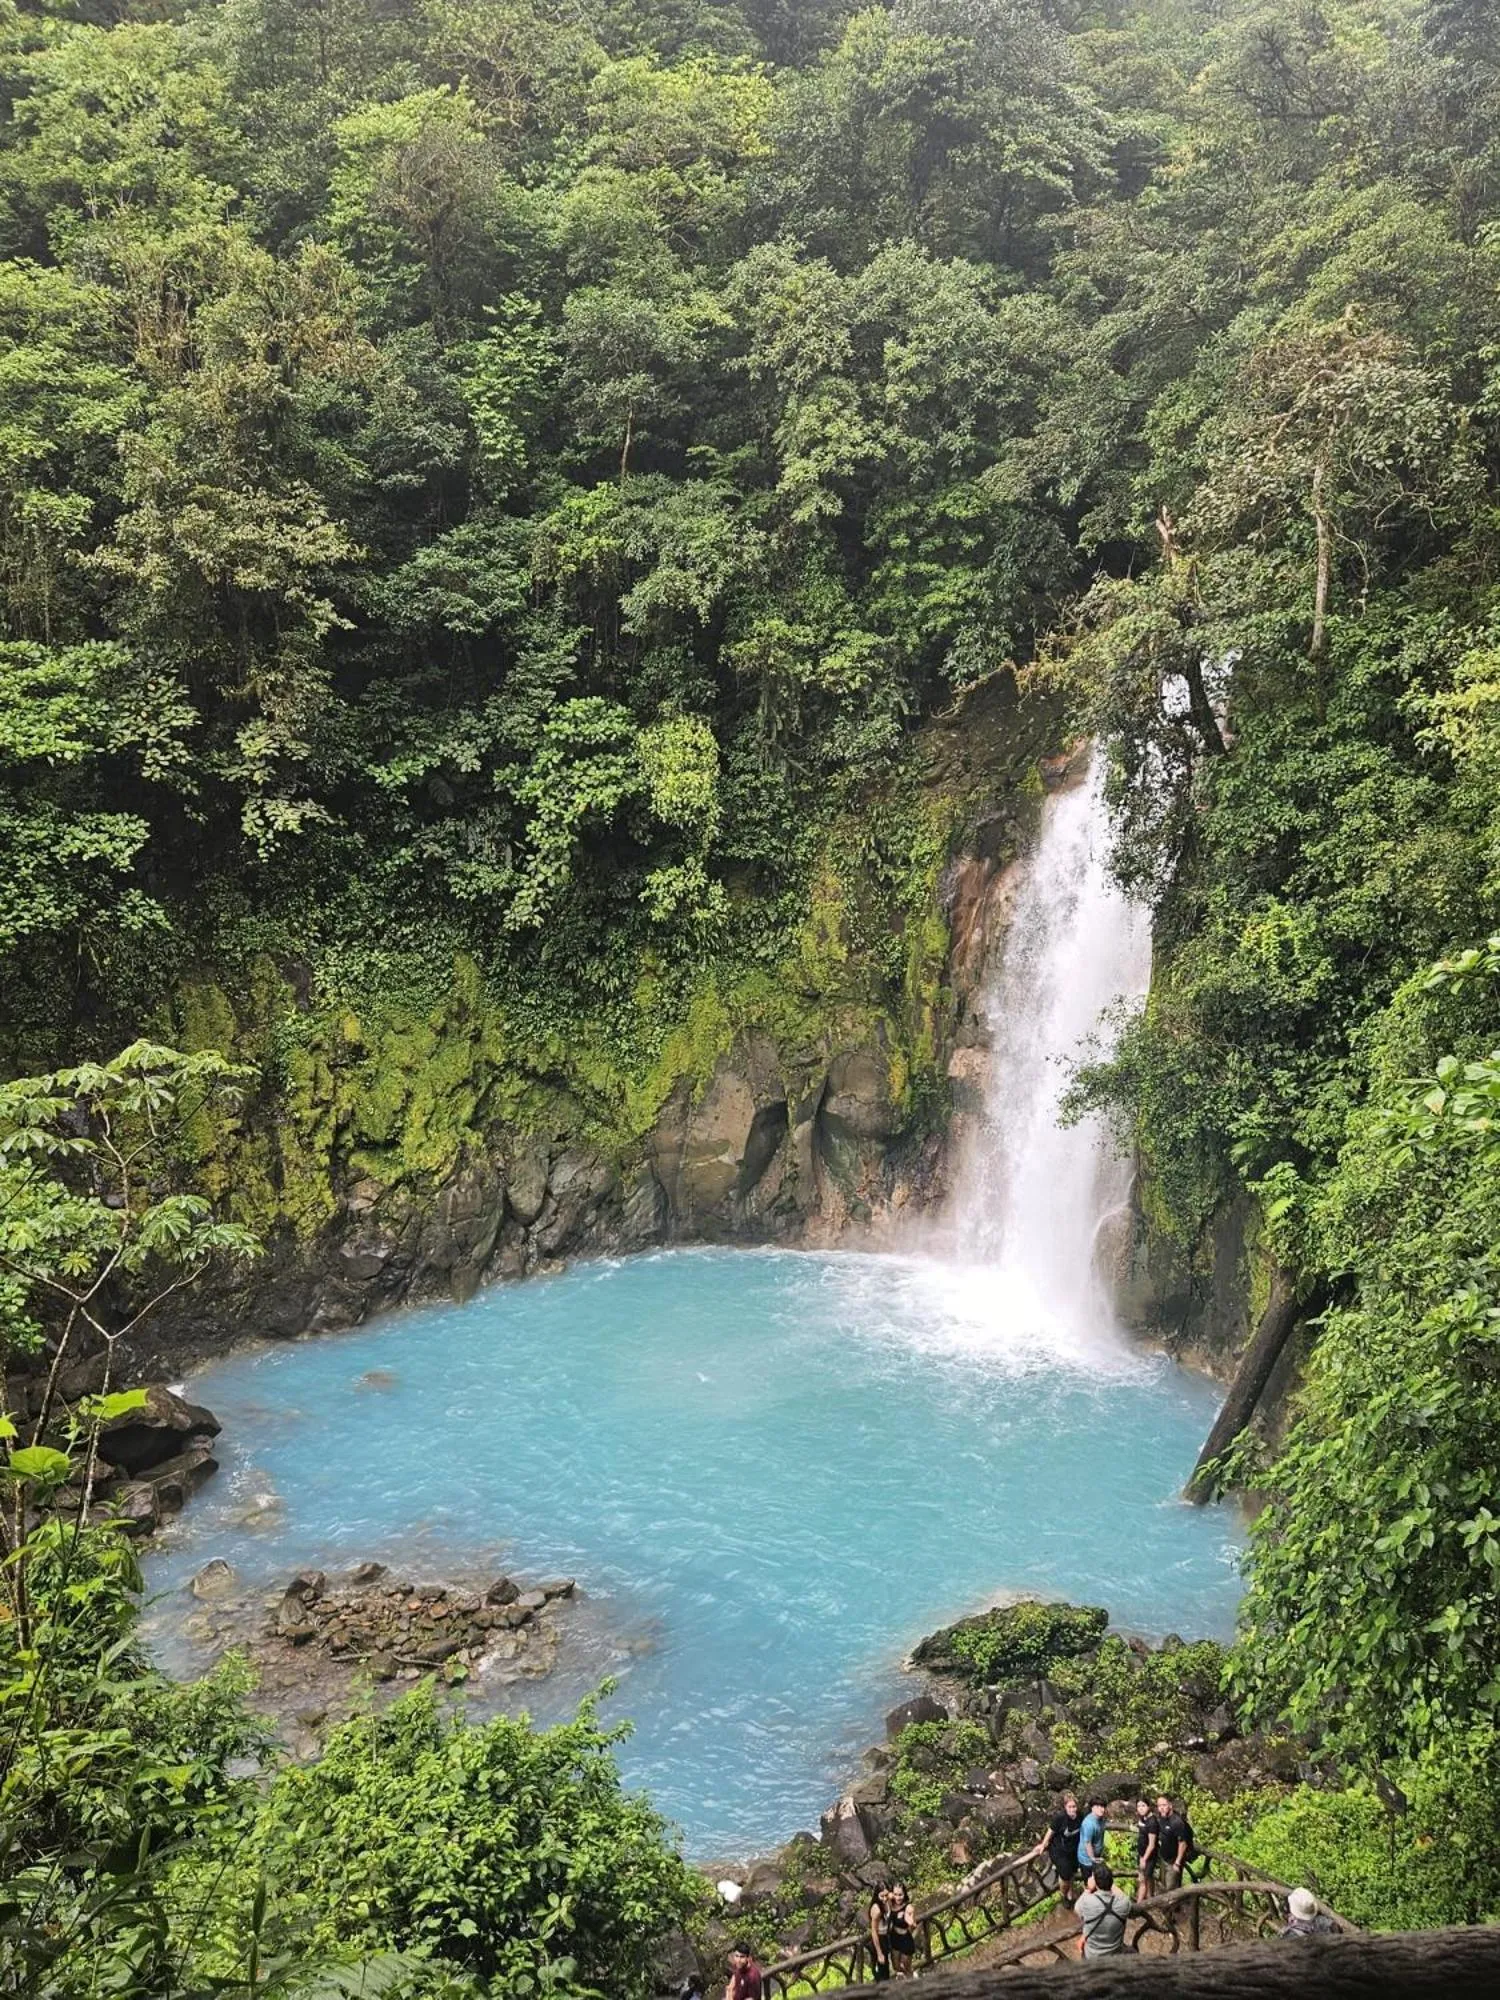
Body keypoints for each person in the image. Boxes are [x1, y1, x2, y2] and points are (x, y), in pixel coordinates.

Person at [1028, 1791, 1084, 1907]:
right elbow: (1050, 1831)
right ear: (1065, 1807)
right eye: (1070, 1807)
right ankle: (1063, 1895)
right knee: (1065, 1874)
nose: (1072, 1809)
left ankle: (1070, 1891)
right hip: (1059, 1850)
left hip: (1073, 1849)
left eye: (1074, 1807)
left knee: (1072, 1872)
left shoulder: (1080, 1815)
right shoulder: (1060, 1818)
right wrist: (1043, 1845)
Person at [1075, 1862, 1134, 1958]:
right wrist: (1111, 1885)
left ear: (1095, 1883)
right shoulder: (1123, 1903)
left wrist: (1088, 1888)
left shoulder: (1087, 1902)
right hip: (1115, 1954)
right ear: (1111, 1881)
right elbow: (1124, 1897)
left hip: (1092, 1956)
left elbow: (1077, 1909)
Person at [1155, 1793, 1197, 1890]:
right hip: (1164, 1858)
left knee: (1172, 1890)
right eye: (1159, 1806)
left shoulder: (1177, 1822)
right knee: (1163, 1886)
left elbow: (1183, 1843)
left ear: (1170, 1805)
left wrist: (1177, 1863)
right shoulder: (1162, 1817)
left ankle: (1174, 1905)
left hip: (1173, 1862)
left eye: (1164, 1805)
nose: (1161, 1808)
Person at [886, 1882, 917, 1978]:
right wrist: (890, 1896)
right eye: (895, 1894)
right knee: (896, 1966)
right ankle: (902, 1979)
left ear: (905, 1894)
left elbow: (912, 1922)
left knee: (906, 1966)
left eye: (900, 1895)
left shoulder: (908, 1907)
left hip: (905, 1939)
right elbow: (885, 1895)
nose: (898, 1898)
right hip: (894, 1937)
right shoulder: (891, 1904)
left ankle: (912, 1980)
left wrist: (909, 1921)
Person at [1134, 1796, 1160, 1902]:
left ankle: (1138, 1905)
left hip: (1148, 1856)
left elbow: (1152, 1844)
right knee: (1148, 1878)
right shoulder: (1143, 1819)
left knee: (1142, 1880)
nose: (1140, 1808)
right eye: (1138, 1806)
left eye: (1143, 1806)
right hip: (1142, 1854)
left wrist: (1144, 1859)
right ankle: (1150, 1898)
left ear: (1148, 1806)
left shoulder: (1152, 1822)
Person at [1077, 1797, 1108, 1882]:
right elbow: (1087, 1843)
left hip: (1096, 1856)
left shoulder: (1101, 1819)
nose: (1101, 1809)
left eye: (1102, 1806)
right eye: (1098, 1806)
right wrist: (1092, 1859)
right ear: (1092, 1808)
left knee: (1098, 1881)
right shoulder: (1089, 1823)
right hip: (1087, 1859)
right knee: (1090, 1884)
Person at [867, 1885, 891, 1981]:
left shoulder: (887, 1902)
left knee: (886, 1966)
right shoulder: (876, 1910)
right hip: (879, 1939)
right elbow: (874, 1931)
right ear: (877, 1896)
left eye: (886, 1895)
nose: (885, 1898)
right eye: (882, 1896)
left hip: (886, 1936)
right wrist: (879, 1953)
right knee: (882, 1970)